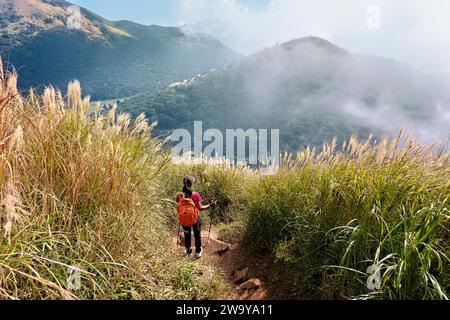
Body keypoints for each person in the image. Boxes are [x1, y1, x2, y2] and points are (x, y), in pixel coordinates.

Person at [177, 176, 216, 258]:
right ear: (191, 184)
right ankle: (198, 252)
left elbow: (178, 207)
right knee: (197, 234)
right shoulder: (195, 195)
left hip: (184, 218)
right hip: (195, 218)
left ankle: (188, 252)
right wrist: (210, 205)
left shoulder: (179, 195)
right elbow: (200, 208)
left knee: (186, 235)